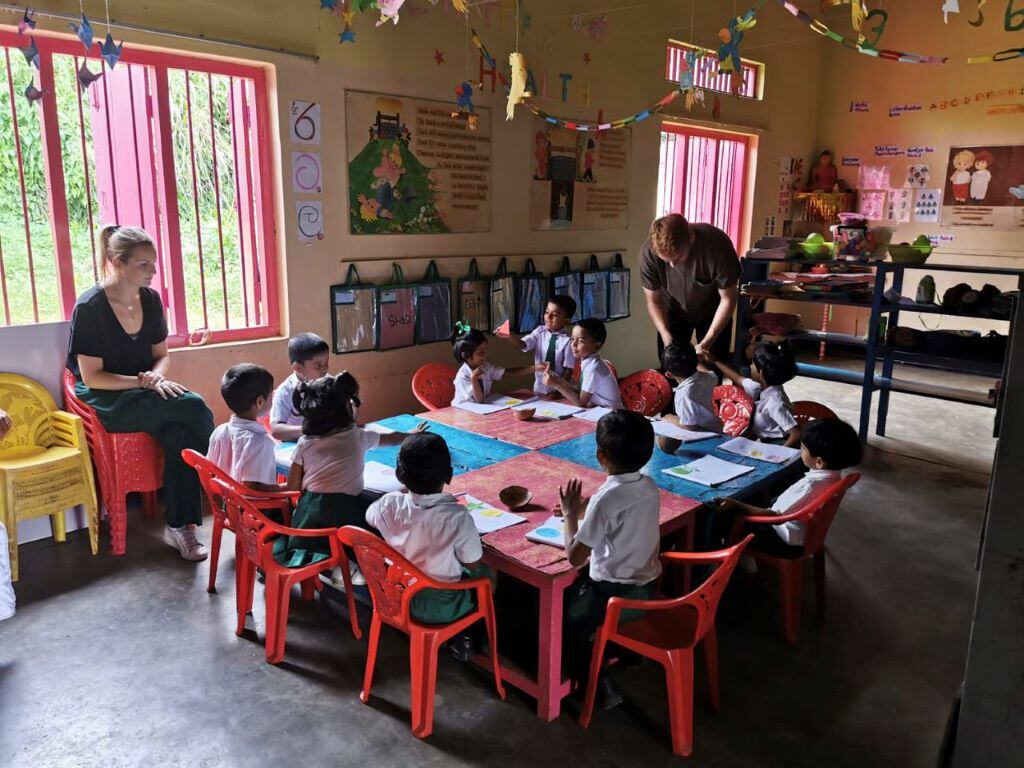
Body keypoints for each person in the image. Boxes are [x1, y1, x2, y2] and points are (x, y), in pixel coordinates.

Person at [67, 225, 214, 562]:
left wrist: (156, 378)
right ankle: (227, 488)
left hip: (144, 391)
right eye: (143, 265)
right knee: (195, 408)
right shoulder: (90, 307)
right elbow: (92, 378)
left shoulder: (151, 300)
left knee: (182, 433)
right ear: (117, 263)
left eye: (154, 263)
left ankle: (180, 526)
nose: (153, 271)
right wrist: (143, 382)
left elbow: (161, 356)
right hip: (107, 397)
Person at [278, 372, 424, 583]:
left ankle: (331, 562)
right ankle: (352, 564)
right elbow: (392, 439)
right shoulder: (357, 436)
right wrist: (411, 435)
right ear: (346, 408)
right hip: (346, 516)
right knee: (375, 520)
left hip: (306, 524)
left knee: (322, 538)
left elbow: (293, 487)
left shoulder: (304, 443)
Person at [559, 410, 661, 707]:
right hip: (647, 588)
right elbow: (619, 519)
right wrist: (585, 512)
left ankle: (597, 682)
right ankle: (629, 653)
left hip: (613, 596)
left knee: (565, 624)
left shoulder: (606, 499)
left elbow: (575, 557)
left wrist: (569, 516)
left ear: (600, 456)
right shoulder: (649, 486)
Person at [366, 432, 493, 659]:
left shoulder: (388, 504)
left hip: (395, 596)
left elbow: (369, 516)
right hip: (440, 608)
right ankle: (467, 637)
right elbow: (473, 563)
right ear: (450, 476)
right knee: (487, 577)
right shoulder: (457, 516)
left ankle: (460, 638)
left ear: (398, 475)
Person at [715, 418, 862, 557]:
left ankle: (717, 567)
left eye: (803, 448)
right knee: (756, 495)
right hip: (803, 533)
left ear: (818, 462)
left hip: (783, 540)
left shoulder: (810, 486)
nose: (800, 451)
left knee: (719, 515)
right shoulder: (833, 477)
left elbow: (775, 517)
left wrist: (736, 503)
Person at [639, 214, 741, 362]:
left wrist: (706, 342)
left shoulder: (717, 246)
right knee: (671, 366)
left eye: (677, 258)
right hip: (672, 312)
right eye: (666, 261)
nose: (672, 265)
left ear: (691, 239)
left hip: (713, 311)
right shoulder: (648, 253)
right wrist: (666, 336)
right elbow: (653, 300)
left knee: (713, 367)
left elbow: (728, 299)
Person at [705, 342, 800, 448]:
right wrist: (714, 360)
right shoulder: (758, 388)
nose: (750, 366)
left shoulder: (775, 402)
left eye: (753, 365)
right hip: (763, 442)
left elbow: (796, 434)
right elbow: (736, 378)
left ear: (761, 373)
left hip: (778, 445)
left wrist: (779, 457)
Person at [207, 364, 279, 493]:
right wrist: (292, 487)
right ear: (260, 402)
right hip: (251, 510)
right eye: (271, 394)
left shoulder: (219, 431)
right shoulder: (260, 442)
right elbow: (257, 490)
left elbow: (210, 470)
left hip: (228, 505)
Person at [496, 295, 576, 397]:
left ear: (567, 321)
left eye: (555, 315)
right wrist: (508, 336)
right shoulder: (540, 331)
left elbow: (568, 369)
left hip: (562, 391)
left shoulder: (568, 341)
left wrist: (560, 391)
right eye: (547, 312)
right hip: (540, 388)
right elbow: (521, 345)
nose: (548, 317)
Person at [543, 318, 622, 409]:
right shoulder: (590, 361)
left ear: (597, 346)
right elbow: (581, 390)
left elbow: (581, 402)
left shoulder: (593, 369)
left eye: (580, 341)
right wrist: (557, 379)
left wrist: (556, 384)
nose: (573, 344)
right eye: (572, 338)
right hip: (600, 411)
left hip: (611, 416)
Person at [451, 327, 542, 405]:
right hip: (463, 412)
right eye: (480, 352)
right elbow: (478, 400)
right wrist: (474, 378)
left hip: (480, 409)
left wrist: (536, 368)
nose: (485, 355)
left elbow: (509, 373)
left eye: (485, 350)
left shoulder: (486, 367)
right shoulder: (462, 376)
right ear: (466, 355)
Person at [270, 333, 330, 442]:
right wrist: (309, 430)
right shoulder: (285, 392)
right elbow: (276, 430)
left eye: (327, 362)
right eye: (318, 365)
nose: (325, 368)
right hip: (296, 445)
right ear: (298, 367)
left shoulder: (329, 383)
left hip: (325, 442)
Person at [662, 342, 722, 432]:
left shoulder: (684, 394)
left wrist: (671, 418)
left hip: (703, 433)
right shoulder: (706, 378)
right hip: (716, 428)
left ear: (669, 374)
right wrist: (694, 361)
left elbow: (688, 426)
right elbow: (713, 375)